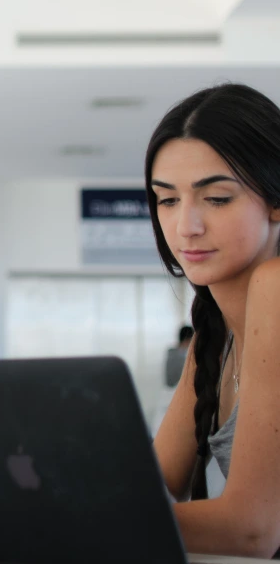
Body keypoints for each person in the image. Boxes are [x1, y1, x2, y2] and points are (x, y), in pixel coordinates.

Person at [148, 83, 280, 558]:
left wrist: (38, 523)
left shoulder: (278, 285)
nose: (186, 226)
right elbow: (151, 486)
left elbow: (251, 531)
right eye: (167, 200)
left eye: (217, 199)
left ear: (275, 200)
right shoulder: (214, 329)